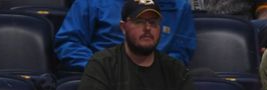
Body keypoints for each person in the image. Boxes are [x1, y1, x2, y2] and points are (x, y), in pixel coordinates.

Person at [71, 0, 201, 90]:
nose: (147, 28)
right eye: (139, 22)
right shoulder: (102, 62)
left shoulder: (175, 68)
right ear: (123, 27)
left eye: (153, 23)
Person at [55, 0, 196, 72]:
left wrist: (155, 70)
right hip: (105, 76)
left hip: (156, 80)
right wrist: (101, 69)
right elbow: (69, 43)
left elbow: (181, 52)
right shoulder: (92, 2)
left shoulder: (179, 5)